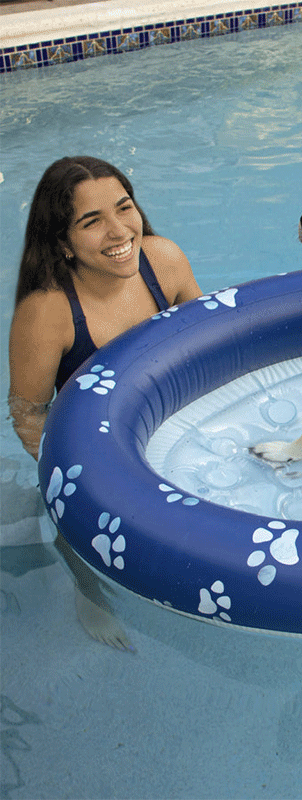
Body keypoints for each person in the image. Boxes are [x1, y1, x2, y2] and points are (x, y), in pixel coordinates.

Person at [8, 156, 204, 651]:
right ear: (62, 242)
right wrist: (80, 481)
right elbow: (28, 414)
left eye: (124, 207)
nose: (119, 231)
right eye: (91, 221)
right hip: (93, 451)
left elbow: (208, 346)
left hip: (170, 421)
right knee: (76, 526)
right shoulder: (47, 312)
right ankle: (86, 588)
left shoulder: (164, 261)